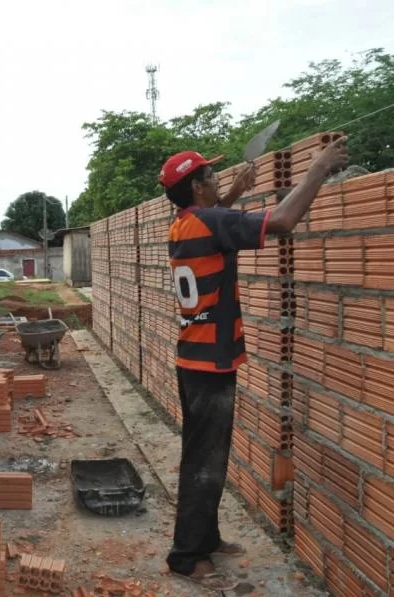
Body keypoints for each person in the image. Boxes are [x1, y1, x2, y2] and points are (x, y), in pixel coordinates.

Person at [160, 137, 348, 591]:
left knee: (204, 455)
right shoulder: (210, 222)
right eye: (212, 177)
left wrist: (232, 196)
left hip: (195, 358)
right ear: (198, 188)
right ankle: (186, 558)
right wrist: (318, 168)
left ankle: (206, 538)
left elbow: (214, 221)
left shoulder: (183, 224)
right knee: (206, 462)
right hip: (210, 366)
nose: (218, 179)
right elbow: (282, 220)